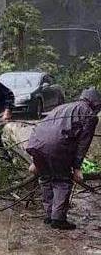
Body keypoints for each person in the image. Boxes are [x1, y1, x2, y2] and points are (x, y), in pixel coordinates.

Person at [26, 88, 101, 230]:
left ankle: (49, 215)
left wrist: (35, 158)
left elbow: (43, 126)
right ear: (95, 104)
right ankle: (58, 219)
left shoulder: (62, 107)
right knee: (62, 181)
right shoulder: (90, 115)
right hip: (58, 148)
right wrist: (77, 167)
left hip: (36, 142)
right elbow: (83, 144)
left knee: (46, 178)